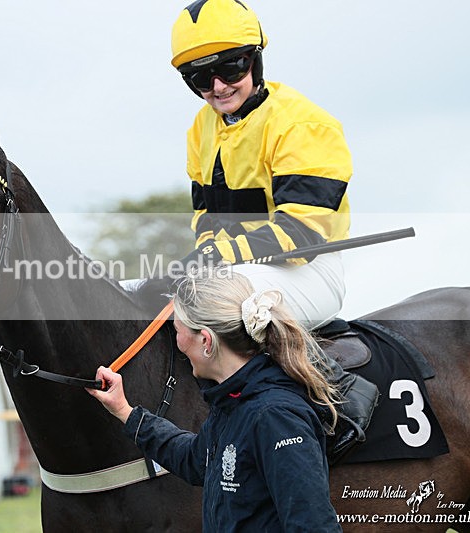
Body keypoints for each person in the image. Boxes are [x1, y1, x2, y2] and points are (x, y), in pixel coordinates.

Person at [162, 0, 378, 457]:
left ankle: (336, 394)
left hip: (306, 269)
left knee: (220, 306)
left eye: (231, 68)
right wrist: (206, 253)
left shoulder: (303, 123)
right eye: (200, 78)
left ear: (256, 58)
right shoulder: (200, 129)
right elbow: (207, 220)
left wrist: (217, 257)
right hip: (239, 271)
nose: (218, 86)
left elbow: (302, 233)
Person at [89, 270, 342, 532]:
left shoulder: (275, 417)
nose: (177, 342)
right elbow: (194, 460)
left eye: (177, 331)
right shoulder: (233, 403)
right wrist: (124, 411)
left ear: (206, 341)